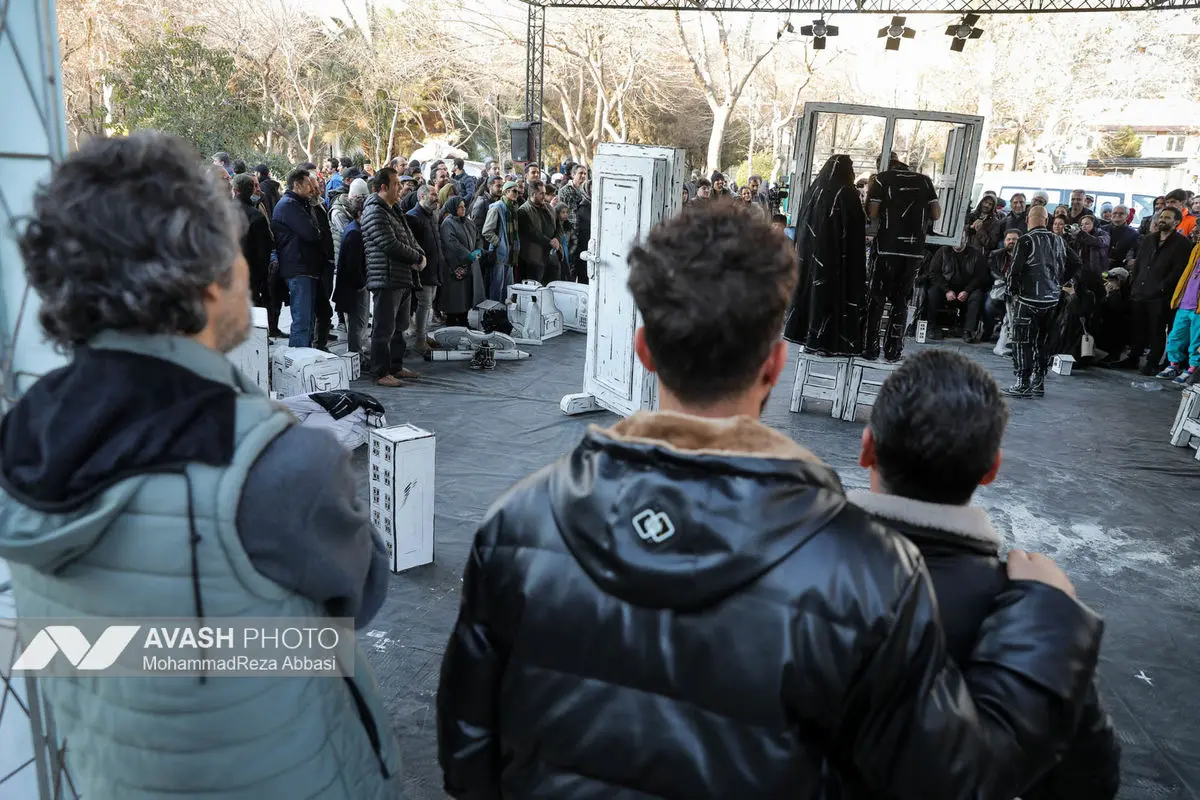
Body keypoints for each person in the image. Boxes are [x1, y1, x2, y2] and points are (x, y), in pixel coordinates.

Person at [436, 200, 1103, 799]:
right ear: (775, 365)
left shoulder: (517, 522)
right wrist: (1046, 618)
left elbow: (468, 753)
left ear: (644, 351)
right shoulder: (869, 571)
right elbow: (958, 778)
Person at [3, 131, 399, 798]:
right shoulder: (282, 463)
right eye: (235, 250)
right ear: (204, 280)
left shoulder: (25, 435)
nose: (248, 267)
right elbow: (362, 597)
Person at [852, 349, 1121, 800]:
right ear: (992, 469)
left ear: (866, 449)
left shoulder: (793, 561)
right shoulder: (1036, 622)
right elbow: (1088, 779)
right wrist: (1051, 619)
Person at [784, 155, 866, 357]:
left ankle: (810, 337)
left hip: (810, 254)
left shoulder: (813, 190)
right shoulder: (846, 192)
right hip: (834, 256)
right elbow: (855, 226)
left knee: (812, 294)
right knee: (830, 297)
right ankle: (827, 343)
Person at [864, 154, 941, 361]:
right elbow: (936, 214)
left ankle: (870, 348)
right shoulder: (924, 180)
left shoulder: (882, 178)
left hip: (887, 248)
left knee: (877, 300)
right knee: (901, 301)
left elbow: (872, 213)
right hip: (913, 251)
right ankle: (893, 351)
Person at [1004, 205, 1081, 398]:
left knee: (1023, 342)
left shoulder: (1025, 240)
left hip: (1028, 299)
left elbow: (1014, 272)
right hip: (1052, 300)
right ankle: (1038, 382)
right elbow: (1077, 263)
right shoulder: (1059, 240)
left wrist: (1012, 293)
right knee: (1043, 342)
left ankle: (1023, 383)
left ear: (1028, 219)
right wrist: (1058, 282)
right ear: (1046, 220)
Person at [362, 167, 425, 387]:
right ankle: (380, 372)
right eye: (396, 184)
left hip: (401, 276)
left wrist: (420, 254)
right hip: (386, 278)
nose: (400, 187)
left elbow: (408, 237)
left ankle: (395, 366)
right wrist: (416, 257)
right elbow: (389, 244)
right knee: (383, 329)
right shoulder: (374, 211)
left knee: (400, 327)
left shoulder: (394, 208)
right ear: (383, 187)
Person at [1123, 206, 1193, 375]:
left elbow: (1178, 271)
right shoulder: (1149, 239)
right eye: (1161, 217)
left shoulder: (1182, 244)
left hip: (1160, 296)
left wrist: (1162, 287)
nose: (1163, 220)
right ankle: (1133, 358)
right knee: (1137, 328)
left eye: (1167, 218)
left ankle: (1152, 362)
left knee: (1156, 330)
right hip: (1140, 290)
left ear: (1176, 222)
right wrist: (1134, 282)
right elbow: (1139, 262)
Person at [271, 168, 326, 348]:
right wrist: (316, 232)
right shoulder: (288, 205)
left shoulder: (300, 204)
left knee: (307, 320)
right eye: (308, 184)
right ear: (296, 185)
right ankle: (297, 360)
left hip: (306, 267)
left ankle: (305, 357)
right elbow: (312, 233)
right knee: (302, 321)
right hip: (298, 268)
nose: (312, 189)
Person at [406, 184, 446, 356]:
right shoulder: (413, 217)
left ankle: (423, 334)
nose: (436, 198)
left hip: (434, 268)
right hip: (422, 270)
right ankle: (420, 340)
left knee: (429, 303)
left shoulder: (431, 215)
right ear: (422, 196)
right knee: (424, 304)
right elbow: (411, 246)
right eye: (433, 195)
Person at [333, 194, 371, 364]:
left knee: (358, 323)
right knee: (357, 323)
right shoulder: (355, 233)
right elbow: (353, 265)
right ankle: (356, 356)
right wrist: (361, 284)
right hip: (354, 287)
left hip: (355, 285)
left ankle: (357, 354)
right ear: (359, 213)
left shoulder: (355, 229)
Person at [1158, 229, 1200, 384]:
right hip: (1186, 301)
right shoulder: (1196, 248)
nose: (1197, 232)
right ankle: (1173, 365)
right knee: (1176, 336)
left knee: (1197, 340)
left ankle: (1192, 369)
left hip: (1198, 307)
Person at [925, 241, 989, 342]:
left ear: (966, 238)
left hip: (967, 288)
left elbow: (980, 277)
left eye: (961, 237)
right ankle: (930, 326)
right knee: (932, 292)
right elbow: (933, 273)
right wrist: (947, 290)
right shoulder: (943, 251)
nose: (958, 240)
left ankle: (968, 331)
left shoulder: (976, 253)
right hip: (946, 288)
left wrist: (967, 291)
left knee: (976, 295)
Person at [440, 195, 484, 327]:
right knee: (455, 297)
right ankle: (452, 321)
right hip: (455, 264)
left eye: (464, 206)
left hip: (470, 264)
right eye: (460, 207)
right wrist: (468, 255)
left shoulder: (468, 222)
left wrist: (479, 250)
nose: (463, 209)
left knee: (467, 295)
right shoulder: (448, 223)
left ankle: (464, 319)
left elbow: (478, 237)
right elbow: (452, 244)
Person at [481, 180, 521, 300]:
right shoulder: (497, 208)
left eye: (518, 191)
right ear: (506, 192)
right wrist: (500, 243)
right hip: (499, 253)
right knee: (497, 287)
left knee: (508, 287)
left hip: (511, 254)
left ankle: (503, 313)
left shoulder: (513, 209)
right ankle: (494, 314)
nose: (517, 194)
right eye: (514, 191)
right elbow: (487, 231)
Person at [517, 179, 560, 284]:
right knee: (536, 287)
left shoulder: (548, 207)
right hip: (534, 257)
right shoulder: (523, 211)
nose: (544, 196)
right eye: (541, 194)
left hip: (550, 254)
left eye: (545, 193)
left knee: (552, 284)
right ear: (532, 194)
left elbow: (558, 226)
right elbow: (531, 233)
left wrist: (556, 239)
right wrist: (549, 241)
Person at [984, 229, 1021, 343]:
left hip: (1018, 289)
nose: (1011, 241)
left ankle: (1009, 337)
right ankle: (988, 331)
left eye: (1014, 239)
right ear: (1004, 241)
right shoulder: (995, 254)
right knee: (989, 304)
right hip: (1000, 287)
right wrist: (1006, 279)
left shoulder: (1026, 256)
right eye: (1008, 239)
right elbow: (993, 271)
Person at [1106, 204, 1140, 272]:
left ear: (1127, 216)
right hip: (1100, 266)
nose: (1117, 215)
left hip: (1120, 269)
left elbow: (1133, 252)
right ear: (1111, 215)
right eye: (1115, 213)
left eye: (1121, 213)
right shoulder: (1102, 229)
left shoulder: (1133, 234)